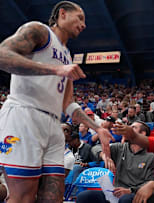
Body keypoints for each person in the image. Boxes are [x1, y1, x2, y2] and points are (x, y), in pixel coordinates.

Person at [0, 1, 113, 202]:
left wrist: (97, 128)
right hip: (24, 114)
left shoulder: (68, 57)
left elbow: (67, 104)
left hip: (53, 125)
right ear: (62, 14)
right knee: (22, 197)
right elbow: (2, 55)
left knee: (54, 197)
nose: (84, 24)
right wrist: (55, 70)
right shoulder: (39, 31)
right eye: (80, 17)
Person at [77, 121, 154, 203]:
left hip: (135, 194)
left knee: (125, 199)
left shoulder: (152, 156)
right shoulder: (120, 148)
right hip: (115, 193)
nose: (127, 129)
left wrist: (130, 190)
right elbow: (95, 148)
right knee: (84, 196)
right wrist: (105, 156)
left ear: (142, 133)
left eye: (133, 128)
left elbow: (150, 183)